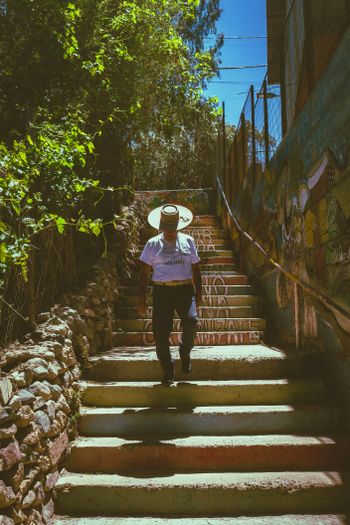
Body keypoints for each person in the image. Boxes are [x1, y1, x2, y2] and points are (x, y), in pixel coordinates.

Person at [138, 204, 203, 385]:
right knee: (160, 333)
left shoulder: (188, 241)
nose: (169, 232)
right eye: (166, 229)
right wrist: (141, 299)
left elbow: (196, 269)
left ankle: (185, 352)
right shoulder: (152, 244)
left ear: (178, 226)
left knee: (191, 322)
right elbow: (144, 273)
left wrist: (199, 295)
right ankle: (168, 369)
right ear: (161, 226)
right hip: (162, 291)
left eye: (172, 229)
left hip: (185, 290)